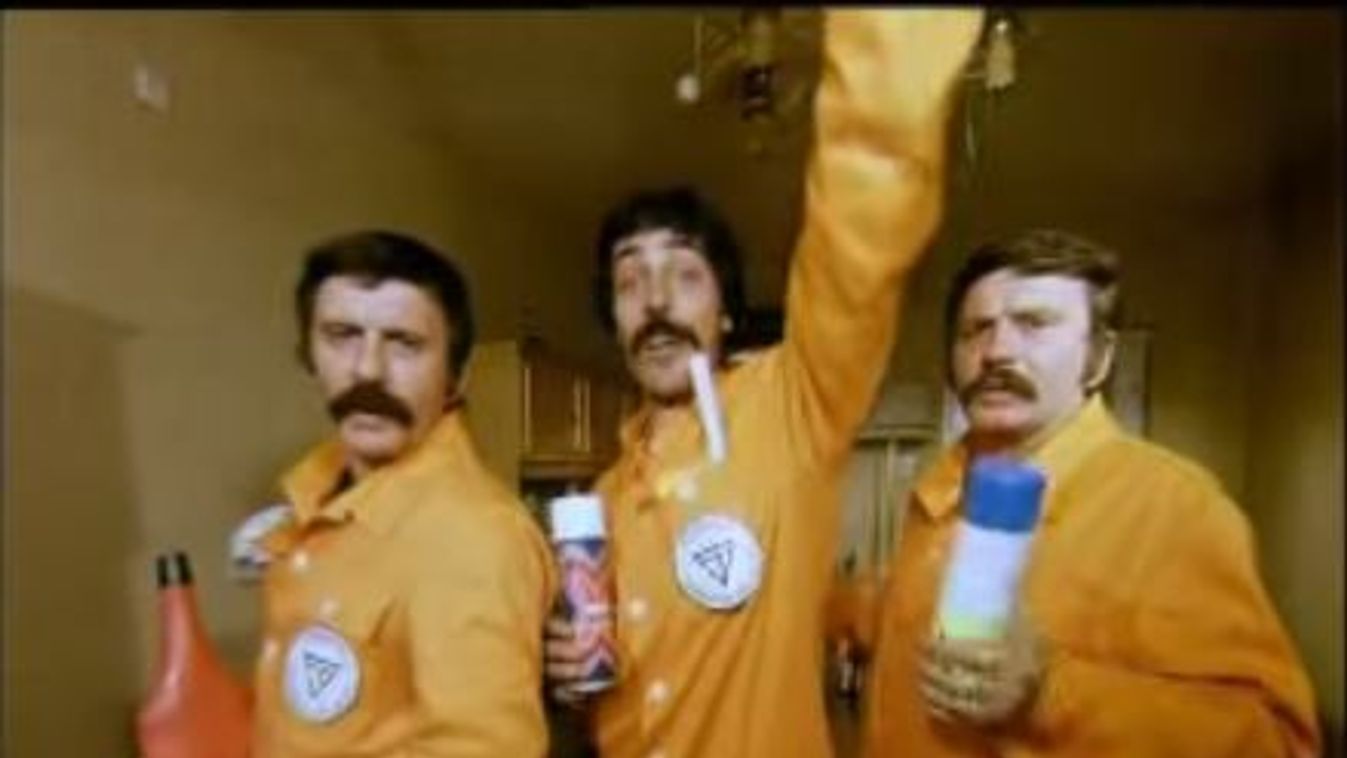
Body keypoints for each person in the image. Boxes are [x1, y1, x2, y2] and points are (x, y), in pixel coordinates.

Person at [545, 10, 984, 757]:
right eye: (629, 281)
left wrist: (891, 32)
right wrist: (570, 676)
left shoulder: (792, 403)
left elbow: (864, 222)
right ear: (612, 318)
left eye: (684, 275)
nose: (655, 301)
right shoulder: (607, 498)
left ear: (725, 312)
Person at [862, 229, 1321, 756]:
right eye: (975, 330)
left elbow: (1276, 742)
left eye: (1034, 324)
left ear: (1099, 358)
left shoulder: (1175, 508)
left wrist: (1049, 692)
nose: (997, 351)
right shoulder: (939, 491)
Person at [247, 230, 555, 756]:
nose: (368, 368)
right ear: (309, 353)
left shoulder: (473, 537)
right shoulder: (318, 495)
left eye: (404, 343)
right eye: (342, 335)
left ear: (456, 374)